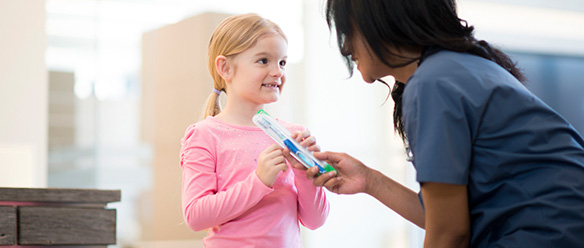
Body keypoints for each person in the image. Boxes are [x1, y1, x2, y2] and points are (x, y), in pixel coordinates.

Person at [306, 0, 584, 247]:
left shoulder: (432, 83)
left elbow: (450, 234)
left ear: (381, 18)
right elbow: (448, 220)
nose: (345, 46)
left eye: (347, 29)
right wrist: (370, 180)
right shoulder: (462, 67)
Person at [179, 13, 329, 247]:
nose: (278, 72)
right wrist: (259, 180)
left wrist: (305, 171)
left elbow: (316, 220)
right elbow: (196, 216)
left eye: (282, 62)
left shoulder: (294, 135)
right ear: (225, 68)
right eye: (263, 61)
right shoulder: (206, 135)